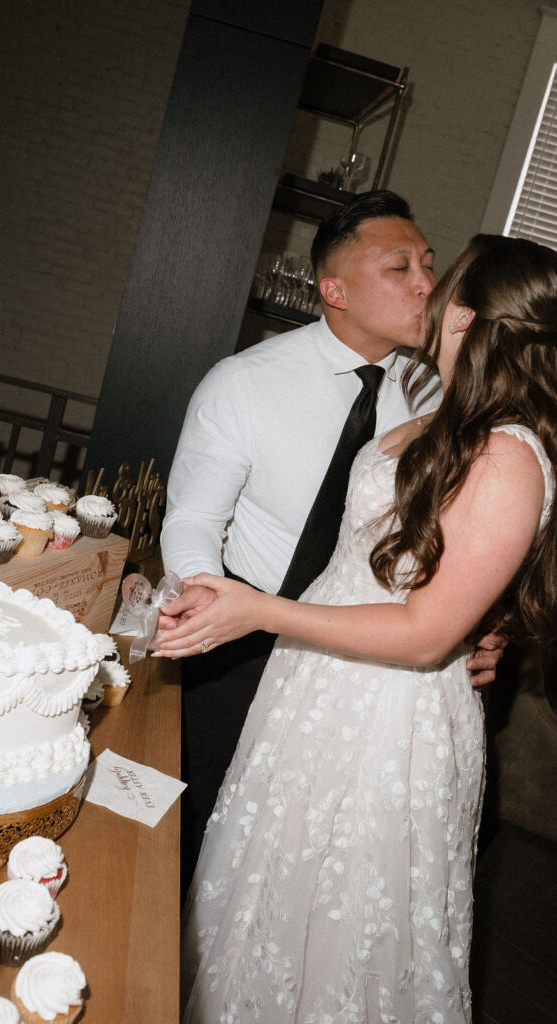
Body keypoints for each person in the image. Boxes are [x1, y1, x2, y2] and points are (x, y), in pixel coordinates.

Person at [156, 233, 557, 1023]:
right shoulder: (441, 410)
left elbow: (424, 633)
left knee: (339, 918)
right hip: (314, 687)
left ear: (465, 316)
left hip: (386, 713)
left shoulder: (507, 452)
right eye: (405, 268)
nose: (426, 288)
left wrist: (258, 610)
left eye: (439, 277)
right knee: (267, 888)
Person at [160, 192, 504, 882]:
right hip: (243, 646)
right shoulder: (245, 382)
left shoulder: (442, 398)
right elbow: (194, 519)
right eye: (399, 267)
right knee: (204, 833)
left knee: (324, 856)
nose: (426, 284)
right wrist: (207, 598)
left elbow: (480, 527)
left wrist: (485, 619)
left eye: (428, 264)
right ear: (334, 290)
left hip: (372, 664)